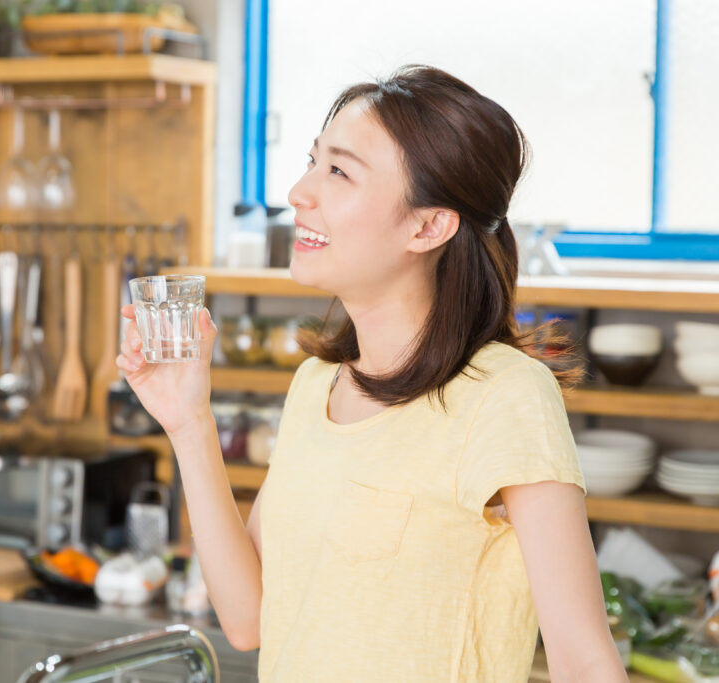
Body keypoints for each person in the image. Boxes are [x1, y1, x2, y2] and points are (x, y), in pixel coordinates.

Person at [116, 65, 627, 682]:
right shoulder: (316, 386)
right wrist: (188, 423)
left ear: (428, 225)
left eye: (338, 171)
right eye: (312, 160)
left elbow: (584, 661)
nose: (300, 192)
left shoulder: (504, 395)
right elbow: (250, 618)